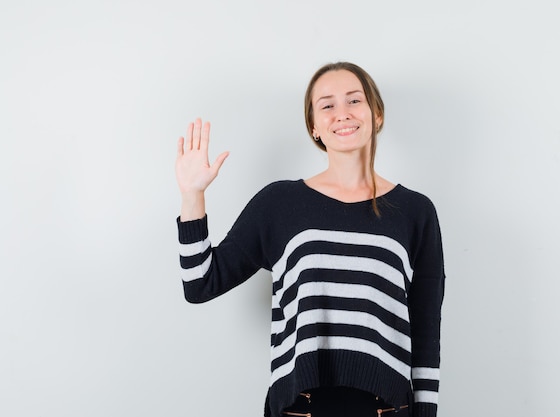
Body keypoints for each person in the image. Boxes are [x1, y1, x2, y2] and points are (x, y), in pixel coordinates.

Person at [175, 62, 445, 417]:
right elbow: (200, 284)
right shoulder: (280, 203)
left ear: (376, 115)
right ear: (314, 127)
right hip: (300, 406)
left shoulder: (415, 211)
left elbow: (425, 330)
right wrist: (192, 195)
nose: (342, 114)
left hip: (385, 407)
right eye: (327, 105)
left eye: (354, 100)